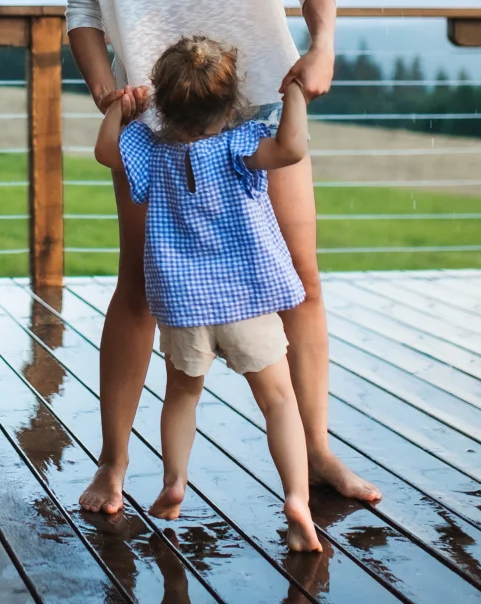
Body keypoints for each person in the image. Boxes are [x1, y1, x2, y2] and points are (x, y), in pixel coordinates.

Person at [65, 0, 381, 513]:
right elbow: (81, 10)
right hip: (156, 132)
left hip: (262, 122)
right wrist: (109, 90)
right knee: (137, 287)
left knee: (299, 280)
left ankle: (316, 455)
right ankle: (112, 465)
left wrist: (324, 41)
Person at [93, 36, 322, 550]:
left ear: (163, 103)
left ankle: (175, 481)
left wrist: (118, 109)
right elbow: (292, 148)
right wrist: (296, 97)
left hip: (183, 308)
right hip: (246, 302)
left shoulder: (149, 150)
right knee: (280, 401)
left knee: (181, 395)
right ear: (230, 100)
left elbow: (106, 151)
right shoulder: (241, 145)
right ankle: (297, 500)